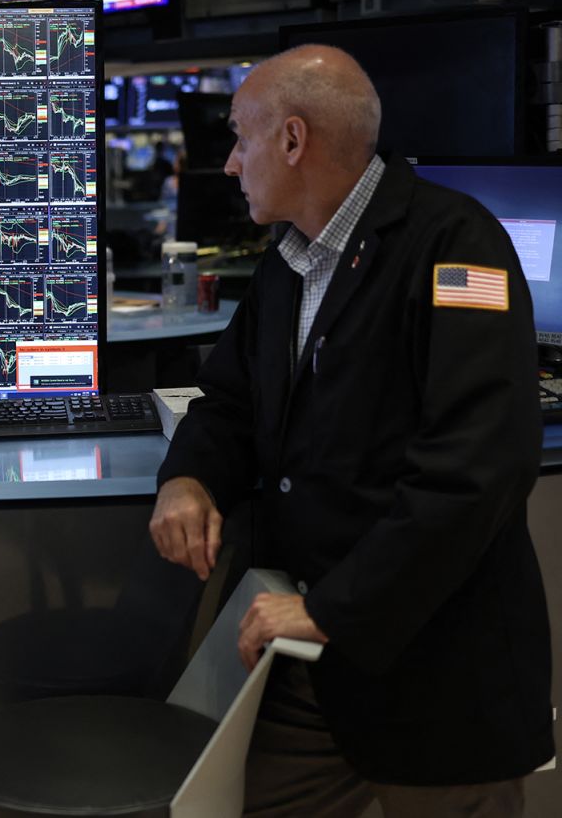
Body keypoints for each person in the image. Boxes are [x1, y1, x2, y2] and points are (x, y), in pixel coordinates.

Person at [149, 44, 553, 816]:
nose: (231, 165)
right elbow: (230, 402)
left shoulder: (455, 245)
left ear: (294, 141)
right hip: (309, 669)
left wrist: (335, 609)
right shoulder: (290, 262)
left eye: (241, 138)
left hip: (434, 672)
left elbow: (477, 471)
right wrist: (189, 476)